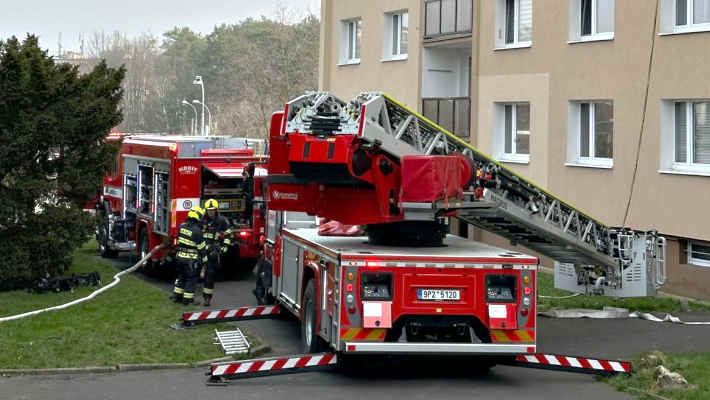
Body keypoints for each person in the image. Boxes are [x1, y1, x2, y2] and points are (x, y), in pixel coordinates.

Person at [170, 205, 206, 305]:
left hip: (180, 257)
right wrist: (205, 260)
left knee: (181, 276)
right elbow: (202, 248)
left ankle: (177, 296)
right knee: (191, 278)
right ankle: (187, 299)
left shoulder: (181, 226)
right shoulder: (197, 231)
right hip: (191, 259)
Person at [201, 198, 231, 306]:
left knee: (210, 275)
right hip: (201, 250)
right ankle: (186, 296)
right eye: (209, 210)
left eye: (212, 210)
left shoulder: (222, 221)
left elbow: (227, 234)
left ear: (216, 210)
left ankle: (207, 298)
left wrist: (224, 247)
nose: (211, 212)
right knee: (191, 272)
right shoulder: (201, 220)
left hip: (212, 251)